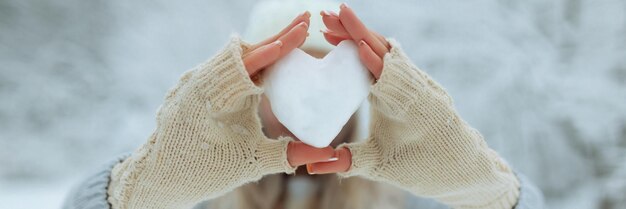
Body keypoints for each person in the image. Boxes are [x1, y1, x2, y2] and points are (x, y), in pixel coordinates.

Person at [63, 2, 544, 209]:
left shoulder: (409, 195)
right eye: (288, 79)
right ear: (250, 91)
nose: (314, 100)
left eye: (333, 78)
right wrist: (127, 195)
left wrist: (486, 189)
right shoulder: (191, 193)